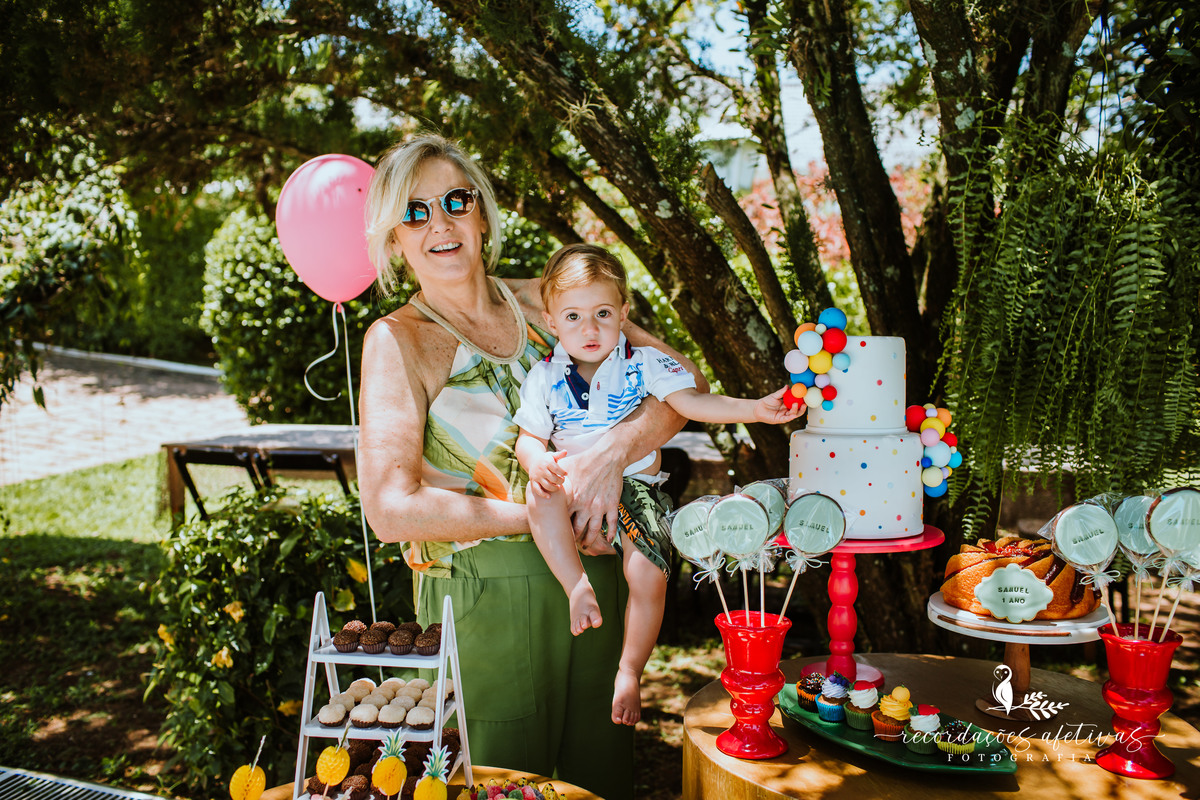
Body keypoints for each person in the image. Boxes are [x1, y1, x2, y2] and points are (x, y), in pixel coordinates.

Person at [355, 134, 705, 799]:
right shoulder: (397, 340)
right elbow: (391, 508)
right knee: (499, 782)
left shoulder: (548, 303)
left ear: (482, 214)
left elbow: (682, 381)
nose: (440, 223)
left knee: (597, 777)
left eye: (456, 201)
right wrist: (546, 518)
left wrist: (609, 456)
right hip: (483, 600)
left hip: (597, 576)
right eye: (415, 212)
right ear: (395, 239)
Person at [513, 243, 803, 726]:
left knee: (649, 573)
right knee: (537, 494)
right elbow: (528, 439)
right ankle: (576, 585)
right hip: (572, 486)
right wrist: (536, 461)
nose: (589, 329)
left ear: (624, 313)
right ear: (551, 321)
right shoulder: (544, 377)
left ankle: (629, 670)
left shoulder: (644, 362)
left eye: (603, 313)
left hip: (638, 488)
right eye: (573, 316)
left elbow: (694, 402)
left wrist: (753, 409)